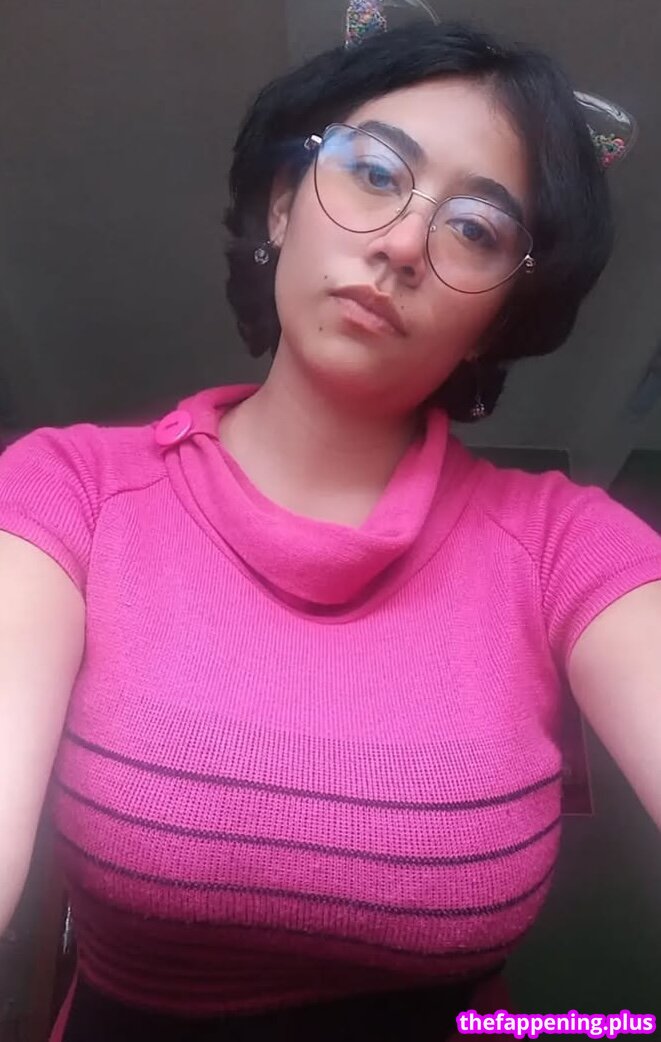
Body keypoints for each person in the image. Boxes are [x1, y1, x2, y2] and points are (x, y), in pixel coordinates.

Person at [1, 20, 660, 1042]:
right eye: (373, 173)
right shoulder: (69, 491)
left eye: (475, 230)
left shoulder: (566, 546)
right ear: (282, 201)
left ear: (496, 320)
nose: (400, 245)